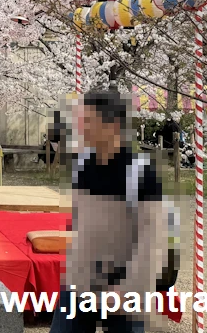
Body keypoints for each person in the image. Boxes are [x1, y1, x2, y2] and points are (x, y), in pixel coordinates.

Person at [54, 86, 175, 333]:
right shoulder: (82, 167)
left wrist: (127, 288)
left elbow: (152, 239)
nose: (80, 127)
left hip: (128, 283)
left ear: (112, 125)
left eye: (87, 121)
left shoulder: (142, 173)